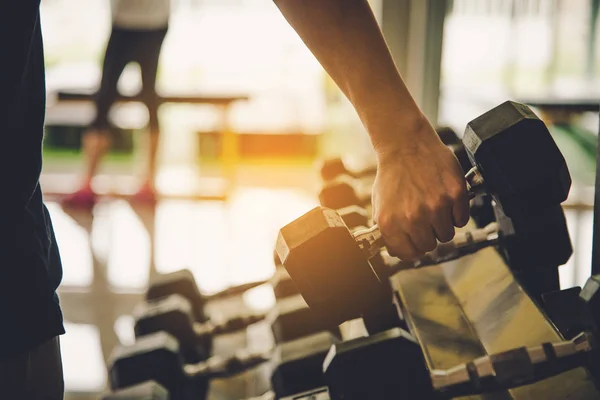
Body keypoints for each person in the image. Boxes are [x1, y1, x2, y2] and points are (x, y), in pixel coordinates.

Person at [2, 0, 467, 397]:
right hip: (19, 280)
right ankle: (94, 178)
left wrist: (402, 139)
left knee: (148, 102)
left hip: (16, 287)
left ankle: (140, 177)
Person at [62, 0, 171, 208]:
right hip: (124, 21)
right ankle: (87, 182)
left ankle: (149, 181)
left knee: (150, 98)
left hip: (154, 21)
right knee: (104, 98)